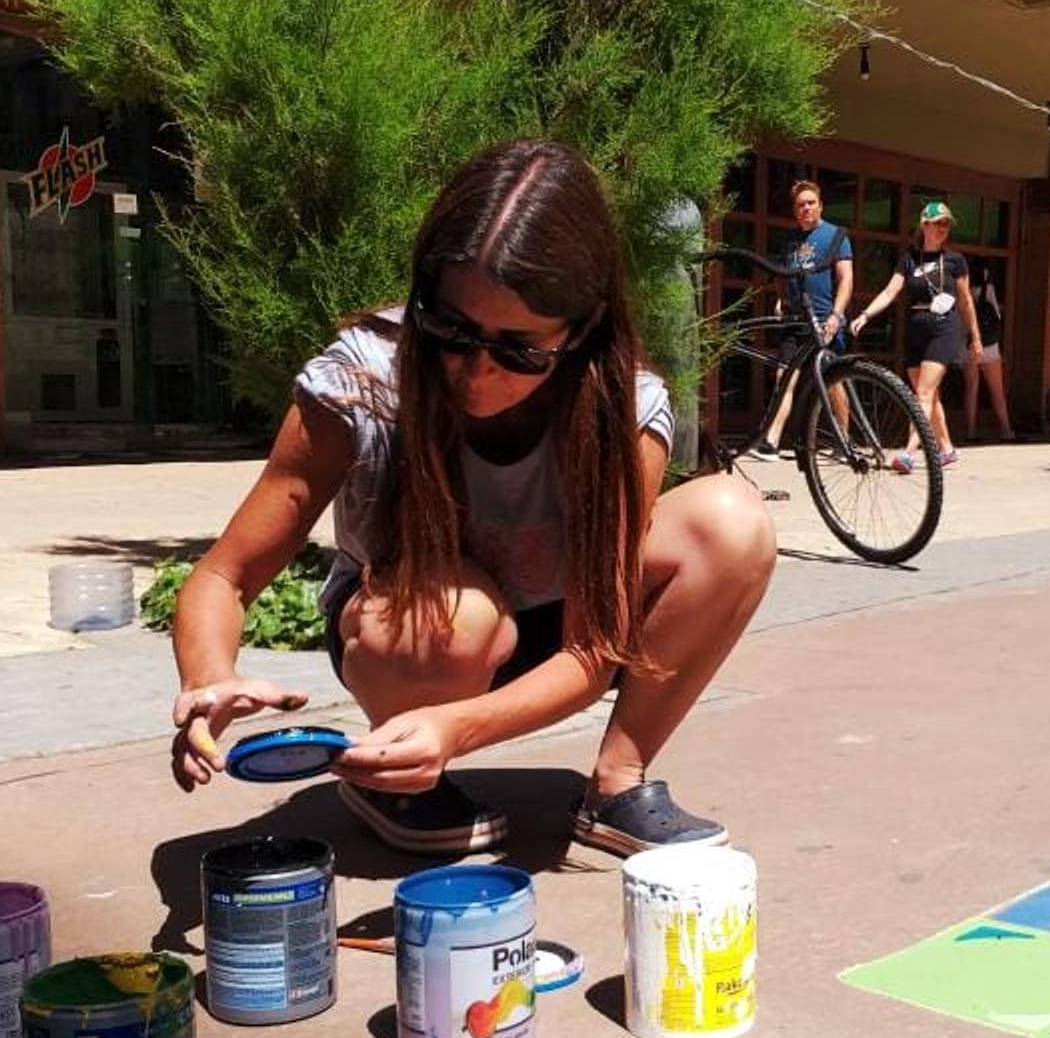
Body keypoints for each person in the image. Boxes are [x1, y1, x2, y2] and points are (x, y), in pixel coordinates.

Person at [167, 139, 777, 858]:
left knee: (733, 522)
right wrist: (210, 680)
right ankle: (395, 781)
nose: (476, 372)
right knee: (454, 616)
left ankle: (617, 781)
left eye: (519, 350)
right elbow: (225, 575)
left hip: (560, 639)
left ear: (578, 333)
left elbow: (590, 650)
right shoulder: (362, 381)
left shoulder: (622, 409)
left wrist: (459, 729)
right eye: (451, 331)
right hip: (414, 640)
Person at [849, 200, 981, 472]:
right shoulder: (909, 258)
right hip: (916, 329)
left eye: (947, 224)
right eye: (939, 223)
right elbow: (889, 292)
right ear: (924, 225)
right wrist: (865, 315)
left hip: (944, 327)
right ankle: (946, 449)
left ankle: (909, 452)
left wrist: (975, 337)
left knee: (922, 392)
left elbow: (966, 301)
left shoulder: (955, 260)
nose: (944, 228)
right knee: (929, 396)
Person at [750, 179, 852, 460]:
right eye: (800, 205)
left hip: (823, 319)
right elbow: (782, 275)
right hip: (795, 321)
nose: (806, 208)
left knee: (833, 380)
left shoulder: (836, 236)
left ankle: (844, 441)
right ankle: (771, 442)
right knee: (785, 376)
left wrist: (836, 314)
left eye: (810, 203)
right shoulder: (789, 241)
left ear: (820, 205)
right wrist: (781, 298)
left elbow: (846, 279)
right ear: (795, 211)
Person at [962, 261, 1013, 443]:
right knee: (997, 390)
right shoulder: (988, 288)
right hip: (989, 345)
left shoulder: (963, 289)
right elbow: (996, 315)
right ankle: (1006, 430)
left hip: (967, 343)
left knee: (971, 389)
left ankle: (970, 431)